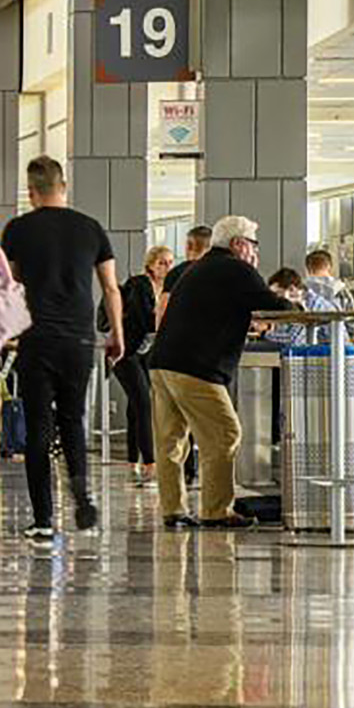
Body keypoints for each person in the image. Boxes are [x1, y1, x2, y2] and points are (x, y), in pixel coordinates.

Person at [0, 156, 125, 542]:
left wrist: (5, 332)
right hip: (79, 339)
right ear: (63, 187)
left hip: (36, 339)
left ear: (31, 191)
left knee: (37, 426)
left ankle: (43, 520)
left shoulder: (18, 229)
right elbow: (110, 288)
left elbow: (11, 286)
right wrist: (116, 334)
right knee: (72, 419)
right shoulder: (90, 228)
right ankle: (82, 491)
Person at [146, 217, 296, 530]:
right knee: (226, 433)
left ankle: (173, 509)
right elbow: (273, 304)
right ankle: (216, 510)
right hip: (195, 366)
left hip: (163, 363)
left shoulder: (199, 267)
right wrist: (296, 306)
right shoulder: (236, 268)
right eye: (254, 246)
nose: (255, 254)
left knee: (171, 441)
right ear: (239, 244)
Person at [115, 246, 172, 485]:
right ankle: (150, 462)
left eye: (169, 262)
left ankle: (132, 459)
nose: (167, 267)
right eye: (161, 263)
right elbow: (144, 319)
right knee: (143, 402)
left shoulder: (167, 289)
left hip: (145, 353)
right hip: (125, 353)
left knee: (135, 406)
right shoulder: (140, 284)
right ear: (150, 265)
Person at [158, 224, 211, 324]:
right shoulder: (217, 272)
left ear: (189, 245)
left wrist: (159, 335)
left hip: (180, 331)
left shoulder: (176, 273)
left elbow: (163, 309)